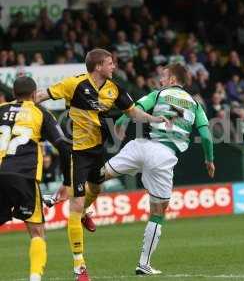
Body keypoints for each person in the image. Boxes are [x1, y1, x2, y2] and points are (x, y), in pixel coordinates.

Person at [35, 48, 168, 280]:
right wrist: (21, 107)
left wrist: (154, 118)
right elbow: (40, 96)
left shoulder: (114, 88)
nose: (114, 66)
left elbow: (133, 111)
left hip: (98, 151)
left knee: (97, 188)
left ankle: (86, 210)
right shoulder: (73, 84)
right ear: (98, 66)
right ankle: (80, 267)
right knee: (74, 208)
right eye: (110, 63)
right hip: (77, 153)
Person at [104, 63, 215, 275]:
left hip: (141, 145)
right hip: (164, 156)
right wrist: (209, 161)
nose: (160, 81)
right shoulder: (195, 105)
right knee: (157, 213)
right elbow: (207, 137)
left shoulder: (158, 94)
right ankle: (143, 264)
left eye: (163, 77)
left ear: (173, 80)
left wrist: (119, 122)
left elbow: (132, 108)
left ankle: (58, 196)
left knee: (100, 175)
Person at [0, 77, 70, 281]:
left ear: (13, 94)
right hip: (23, 175)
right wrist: (66, 183)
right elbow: (64, 147)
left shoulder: (1, 109)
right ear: (34, 94)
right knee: (37, 232)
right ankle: (34, 278)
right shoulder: (40, 112)